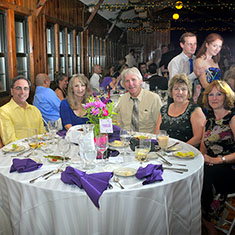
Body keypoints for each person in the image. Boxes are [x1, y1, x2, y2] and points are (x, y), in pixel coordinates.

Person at [200, 80, 235, 234]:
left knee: (206, 176)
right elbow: (203, 150)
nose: (214, 98)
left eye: (219, 94)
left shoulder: (232, 119)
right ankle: (202, 220)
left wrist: (217, 160)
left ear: (226, 97)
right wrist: (203, 159)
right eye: (211, 94)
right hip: (210, 164)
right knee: (194, 174)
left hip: (229, 165)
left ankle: (209, 225)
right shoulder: (208, 122)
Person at [155, 74, 205, 147]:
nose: (180, 92)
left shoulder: (195, 110)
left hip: (187, 153)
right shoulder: (164, 109)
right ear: (171, 92)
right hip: (165, 151)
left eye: (183, 89)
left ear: (188, 93)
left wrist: (178, 148)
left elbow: (198, 138)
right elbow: (157, 132)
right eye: (176, 89)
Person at [0, 75, 45, 145]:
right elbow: (10, 141)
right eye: (18, 88)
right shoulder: (4, 111)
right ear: (12, 91)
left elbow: (42, 134)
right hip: (17, 153)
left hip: (37, 150)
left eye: (26, 88)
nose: (22, 92)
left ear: (29, 92)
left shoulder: (35, 110)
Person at [115, 67, 162, 133]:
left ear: (141, 81)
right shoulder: (122, 100)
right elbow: (118, 124)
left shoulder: (153, 98)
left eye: (133, 80)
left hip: (147, 140)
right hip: (126, 140)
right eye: (127, 81)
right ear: (124, 85)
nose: (131, 84)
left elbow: (160, 125)